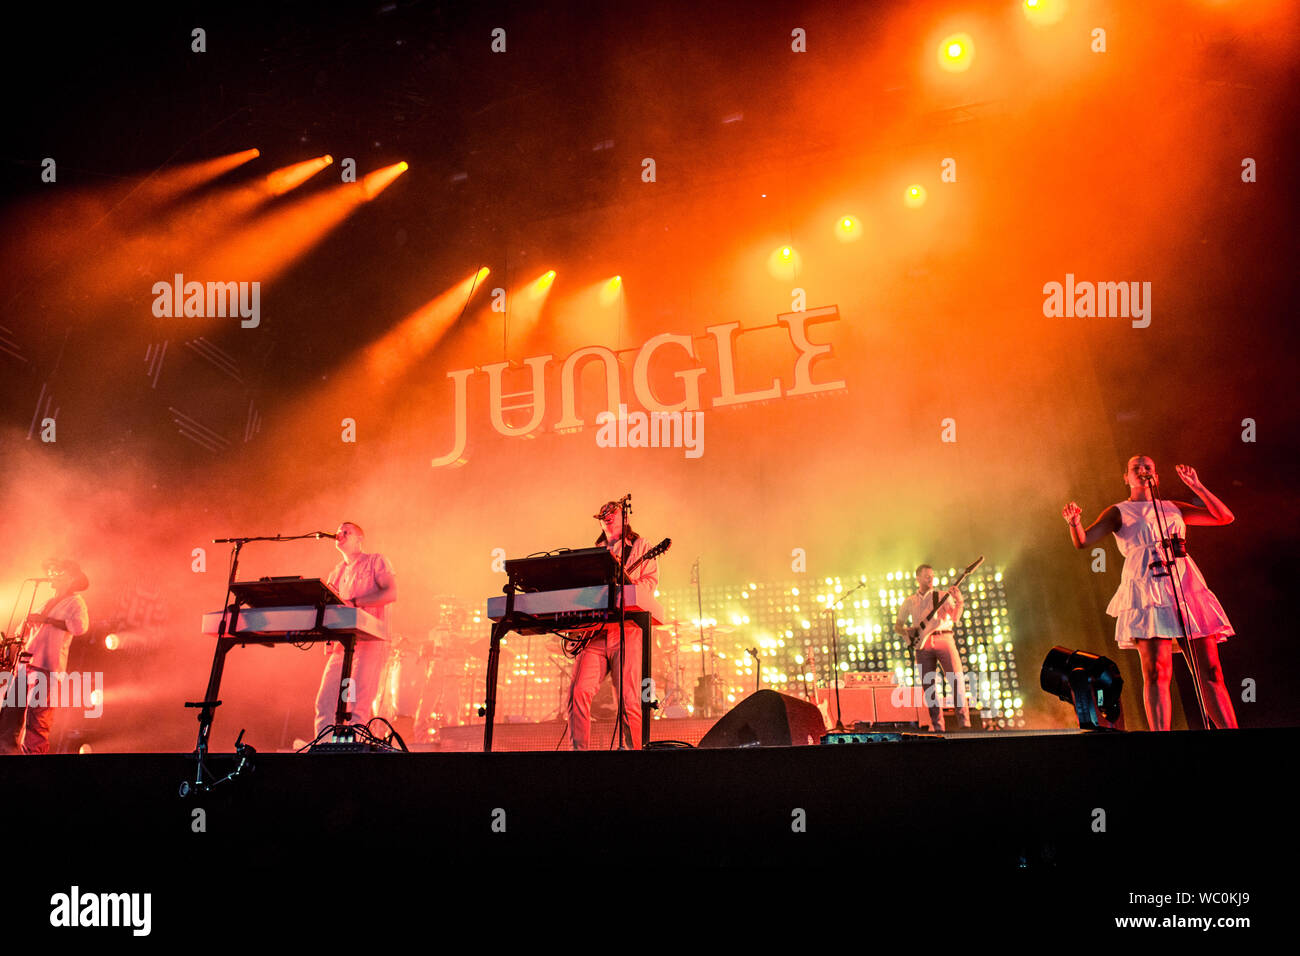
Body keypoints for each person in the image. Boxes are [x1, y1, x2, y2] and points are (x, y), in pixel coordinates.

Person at [1063, 456, 1237, 731]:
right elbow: (1084, 542)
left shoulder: (1171, 507)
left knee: (1211, 672)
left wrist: (1198, 486)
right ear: (1126, 477)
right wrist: (1074, 523)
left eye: (1149, 468)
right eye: (1137, 468)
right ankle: (1160, 741)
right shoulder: (1119, 511)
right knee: (1157, 672)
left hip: (1183, 583)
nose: (1143, 471)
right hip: (1147, 587)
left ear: (1155, 476)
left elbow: (1224, 517)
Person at [567, 501, 659, 750]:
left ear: (625, 517)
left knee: (629, 700)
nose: (607, 518)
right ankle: (578, 754)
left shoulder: (641, 547)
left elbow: (649, 583)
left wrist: (627, 589)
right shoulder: (595, 552)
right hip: (596, 631)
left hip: (627, 629)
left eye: (612, 514)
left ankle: (635, 755)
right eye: (603, 516)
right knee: (578, 692)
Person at [0, 558, 91, 754]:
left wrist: (46, 620)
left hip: (47, 669)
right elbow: (22, 632)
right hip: (25, 665)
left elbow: (80, 626)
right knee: (9, 717)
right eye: (51, 571)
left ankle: (34, 768)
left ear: (72, 578)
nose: (52, 575)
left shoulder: (76, 602)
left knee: (37, 722)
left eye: (58, 572)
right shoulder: (46, 602)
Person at [313, 522, 396, 738]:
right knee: (326, 701)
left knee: (357, 703)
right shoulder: (336, 572)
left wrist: (355, 602)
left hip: (370, 641)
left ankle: (353, 751)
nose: (339, 534)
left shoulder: (376, 561)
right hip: (342, 645)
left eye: (346, 531)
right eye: (338, 531)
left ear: (360, 538)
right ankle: (322, 750)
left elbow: (390, 593)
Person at [893, 564, 969, 731]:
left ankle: (964, 724)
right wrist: (907, 631)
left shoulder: (942, 595)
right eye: (926, 576)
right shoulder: (909, 601)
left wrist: (960, 601)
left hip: (944, 637)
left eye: (932, 575)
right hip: (922, 644)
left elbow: (955, 617)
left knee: (956, 679)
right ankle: (938, 727)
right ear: (918, 578)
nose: (930, 578)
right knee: (929, 687)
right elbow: (897, 626)